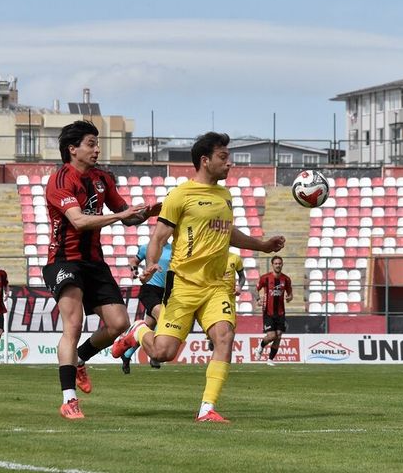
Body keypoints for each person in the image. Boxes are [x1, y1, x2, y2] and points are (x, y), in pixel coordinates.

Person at [116, 131, 285, 423]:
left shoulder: (225, 195)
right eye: (223, 157)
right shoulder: (180, 195)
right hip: (183, 285)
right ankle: (137, 332)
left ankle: (207, 408)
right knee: (162, 352)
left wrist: (263, 245)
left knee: (224, 336)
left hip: (217, 285)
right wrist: (153, 264)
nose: (229, 163)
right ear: (205, 161)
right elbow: (159, 236)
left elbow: (228, 232)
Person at [43, 120, 159, 420]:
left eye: (97, 143)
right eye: (91, 143)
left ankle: (81, 358)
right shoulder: (59, 180)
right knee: (74, 324)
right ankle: (69, 400)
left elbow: (127, 217)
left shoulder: (102, 179)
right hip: (64, 261)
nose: (97, 149)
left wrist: (149, 212)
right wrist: (120, 215)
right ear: (73, 149)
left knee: (119, 323)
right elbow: (79, 221)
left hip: (94, 262)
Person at [113, 240, 173, 374]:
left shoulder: (174, 249)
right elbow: (134, 261)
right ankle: (155, 356)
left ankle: (127, 355)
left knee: (149, 328)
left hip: (166, 292)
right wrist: (135, 272)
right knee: (162, 315)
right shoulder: (147, 247)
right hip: (150, 290)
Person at [255, 256, 293, 366]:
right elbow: (255, 289)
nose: (278, 265)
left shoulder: (286, 279)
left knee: (279, 335)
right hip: (268, 312)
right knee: (272, 336)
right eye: (276, 263)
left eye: (279, 263)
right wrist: (258, 299)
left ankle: (270, 359)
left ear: (282, 264)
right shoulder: (265, 278)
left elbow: (290, 294)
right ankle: (261, 346)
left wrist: (289, 298)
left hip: (280, 312)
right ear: (272, 265)